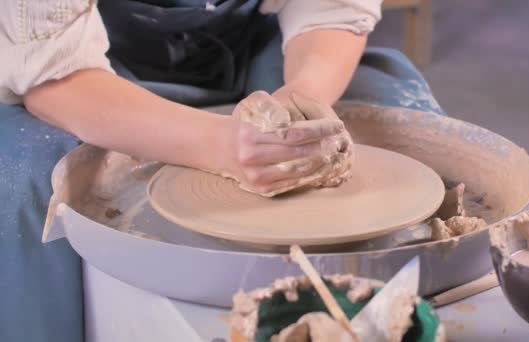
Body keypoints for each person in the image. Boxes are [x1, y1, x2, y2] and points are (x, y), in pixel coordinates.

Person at [0, 1, 444, 341]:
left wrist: (304, 94)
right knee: (22, 179)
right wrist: (218, 147)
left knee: (394, 123)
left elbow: (329, 9)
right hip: (84, 70)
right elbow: (50, 72)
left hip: (249, 46)